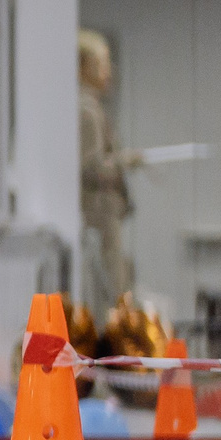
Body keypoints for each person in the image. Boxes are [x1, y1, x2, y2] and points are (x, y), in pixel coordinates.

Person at [78, 28, 141, 317]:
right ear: (83, 66)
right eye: (101, 64)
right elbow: (90, 167)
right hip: (99, 219)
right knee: (108, 295)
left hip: (102, 219)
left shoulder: (90, 108)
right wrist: (125, 162)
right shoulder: (86, 110)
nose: (109, 72)